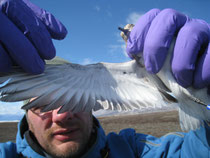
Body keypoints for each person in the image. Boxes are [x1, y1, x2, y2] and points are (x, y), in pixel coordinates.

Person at [0, 0, 209, 157]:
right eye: (43, 103)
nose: (61, 115)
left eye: (69, 99)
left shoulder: (136, 149)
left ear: (91, 101)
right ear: (26, 112)